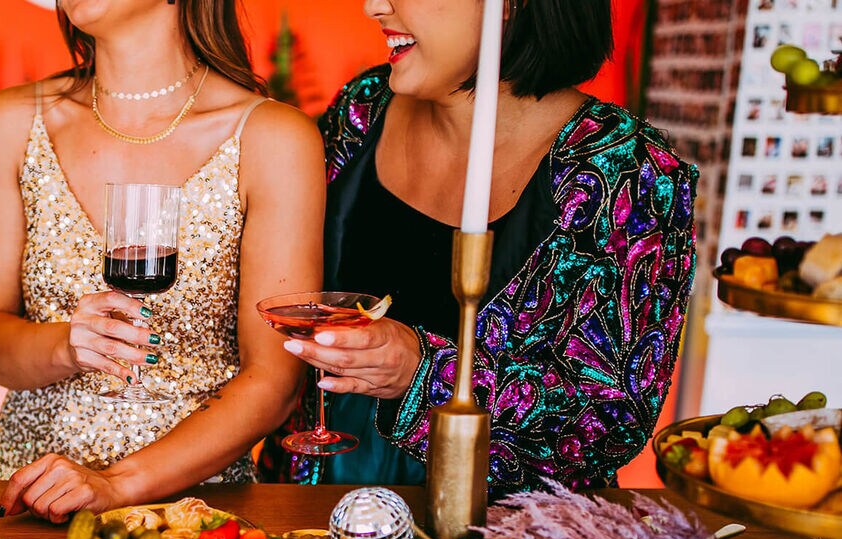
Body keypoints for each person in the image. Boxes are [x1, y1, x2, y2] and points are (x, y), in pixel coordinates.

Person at [261, 0, 697, 494]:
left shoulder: (630, 172)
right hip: (314, 507)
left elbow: (611, 423)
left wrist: (420, 371)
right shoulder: (363, 108)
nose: (374, 6)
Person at [0, 0, 324, 522]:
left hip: (199, 505)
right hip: (34, 498)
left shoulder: (273, 137)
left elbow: (274, 380)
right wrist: (67, 346)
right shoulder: (13, 120)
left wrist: (115, 483)